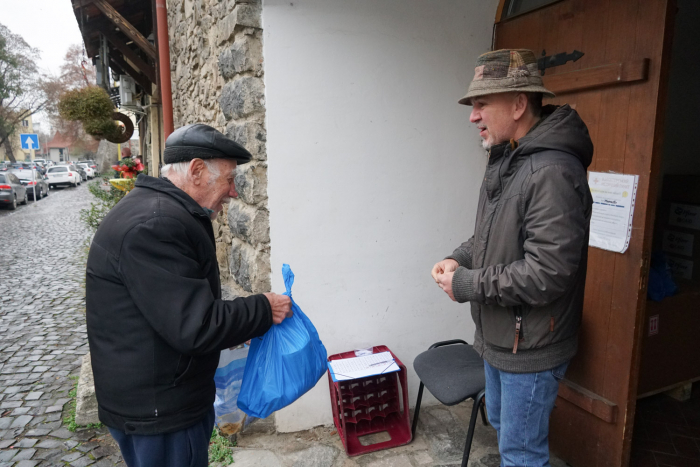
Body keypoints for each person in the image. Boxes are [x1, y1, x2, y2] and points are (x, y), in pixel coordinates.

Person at [86, 123, 293, 467]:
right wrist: (263, 308)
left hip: (155, 398)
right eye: (228, 180)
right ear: (197, 170)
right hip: (160, 411)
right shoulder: (155, 225)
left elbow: (176, 309)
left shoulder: (159, 211)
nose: (233, 193)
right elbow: (195, 326)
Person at [431, 49, 593, 466]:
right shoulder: (509, 160)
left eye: (482, 104)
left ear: (519, 104)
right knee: (506, 435)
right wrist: (458, 257)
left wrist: (467, 284)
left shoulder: (551, 171)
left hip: (531, 349)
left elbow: (547, 272)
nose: (473, 116)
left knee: (522, 454)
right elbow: (490, 237)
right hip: (501, 341)